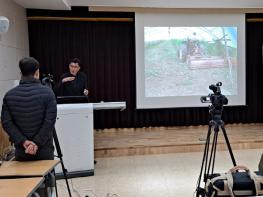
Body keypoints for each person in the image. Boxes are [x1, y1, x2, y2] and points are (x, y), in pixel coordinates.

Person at [1, 57, 57, 161]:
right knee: (47, 176)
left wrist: (23, 142)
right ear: (37, 72)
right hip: (44, 150)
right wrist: (36, 143)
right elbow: (49, 122)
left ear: (21, 73)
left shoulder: (9, 96)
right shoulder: (48, 93)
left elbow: (6, 123)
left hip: (22, 151)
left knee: (24, 176)